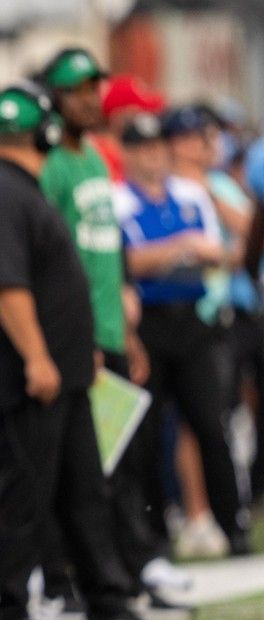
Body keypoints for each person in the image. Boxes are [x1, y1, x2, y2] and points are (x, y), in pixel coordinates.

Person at [0, 82, 169, 620]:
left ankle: (106, 602)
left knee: (85, 493)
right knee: (24, 497)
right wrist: (37, 357)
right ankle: (13, 614)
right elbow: (10, 288)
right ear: (46, 131)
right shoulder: (5, 194)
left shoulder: (18, 190)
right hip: (35, 377)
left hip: (68, 371)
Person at [39, 48, 193, 619]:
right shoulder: (52, 163)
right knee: (75, 470)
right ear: (55, 96)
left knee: (125, 462)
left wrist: (125, 324)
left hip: (109, 330)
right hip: (73, 336)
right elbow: (50, 257)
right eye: (79, 89)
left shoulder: (100, 162)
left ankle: (127, 570)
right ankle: (61, 581)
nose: (90, 99)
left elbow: (110, 250)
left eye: (94, 88)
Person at [114, 111, 250, 557]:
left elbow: (220, 252)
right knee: (149, 432)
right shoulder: (120, 200)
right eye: (143, 149)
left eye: (157, 148)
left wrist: (175, 254)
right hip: (146, 322)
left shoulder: (190, 193)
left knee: (211, 423)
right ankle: (153, 534)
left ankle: (232, 523)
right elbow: (128, 262)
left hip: (192, 316)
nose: (151, 157)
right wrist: (177, 249)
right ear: (129, 154)